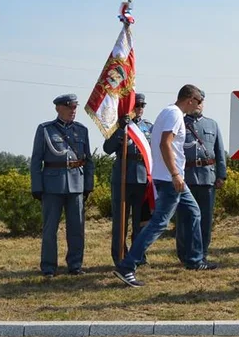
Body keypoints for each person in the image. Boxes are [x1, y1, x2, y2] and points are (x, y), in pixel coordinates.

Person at [113, 85, 216, 288]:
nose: (199, 105)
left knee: (194, 212)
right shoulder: (174, 114)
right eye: (197, 101)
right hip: (170, 179)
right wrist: (175, 174)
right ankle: (128, 265)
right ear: (190, 99)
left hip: (174, 178)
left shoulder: (169, 112)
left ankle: (194, 260)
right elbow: (164, 144)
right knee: (158, 223)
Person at [31, 94, 94, 278]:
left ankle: (75, 265)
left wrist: (88, 184)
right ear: (58, 108)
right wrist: (37, 186)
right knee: (50, 229)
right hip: (52, 185)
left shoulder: (82, 130)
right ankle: (49, 267)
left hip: (76, 184)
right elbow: (36, 160)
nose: (72, 111)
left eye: (75, 107)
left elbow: (88, 160)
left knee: (77, 228)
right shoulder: (45, 130)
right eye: (69, 107)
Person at [102, 93, 154, 267]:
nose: (139, 109)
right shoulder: (120, 126)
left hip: (142, 179)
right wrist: (120, 130)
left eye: (142, 105)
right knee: (120, 222)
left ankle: (139, 255)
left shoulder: (148, 127)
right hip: (123, 178)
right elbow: (107, 149)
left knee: (140, 222)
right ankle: (119, 256)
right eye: (136, 105)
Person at [181, 98, 227, 263]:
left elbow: (219, 151)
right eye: (196, 101)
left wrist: (221, 175)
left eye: (202, 101)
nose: (199, 105)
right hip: (186, 177)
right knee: (185, 217)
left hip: (208, 177)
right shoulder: (180, 122)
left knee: (205, 219)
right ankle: (185, 253)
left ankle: (202, 252)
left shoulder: (212, 124)